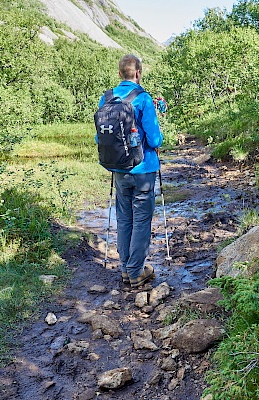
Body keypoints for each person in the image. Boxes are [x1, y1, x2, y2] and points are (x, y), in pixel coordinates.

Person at [98, 54, 163, 287]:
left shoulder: (106, 98)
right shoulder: (143, 99)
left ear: (119, 74)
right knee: (141, 221)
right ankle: (136, 271)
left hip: (118, 169)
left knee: (124, 219)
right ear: (138, 73)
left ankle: (126, 269)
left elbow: (100, 136)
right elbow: (155, 140)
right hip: (143, 170)